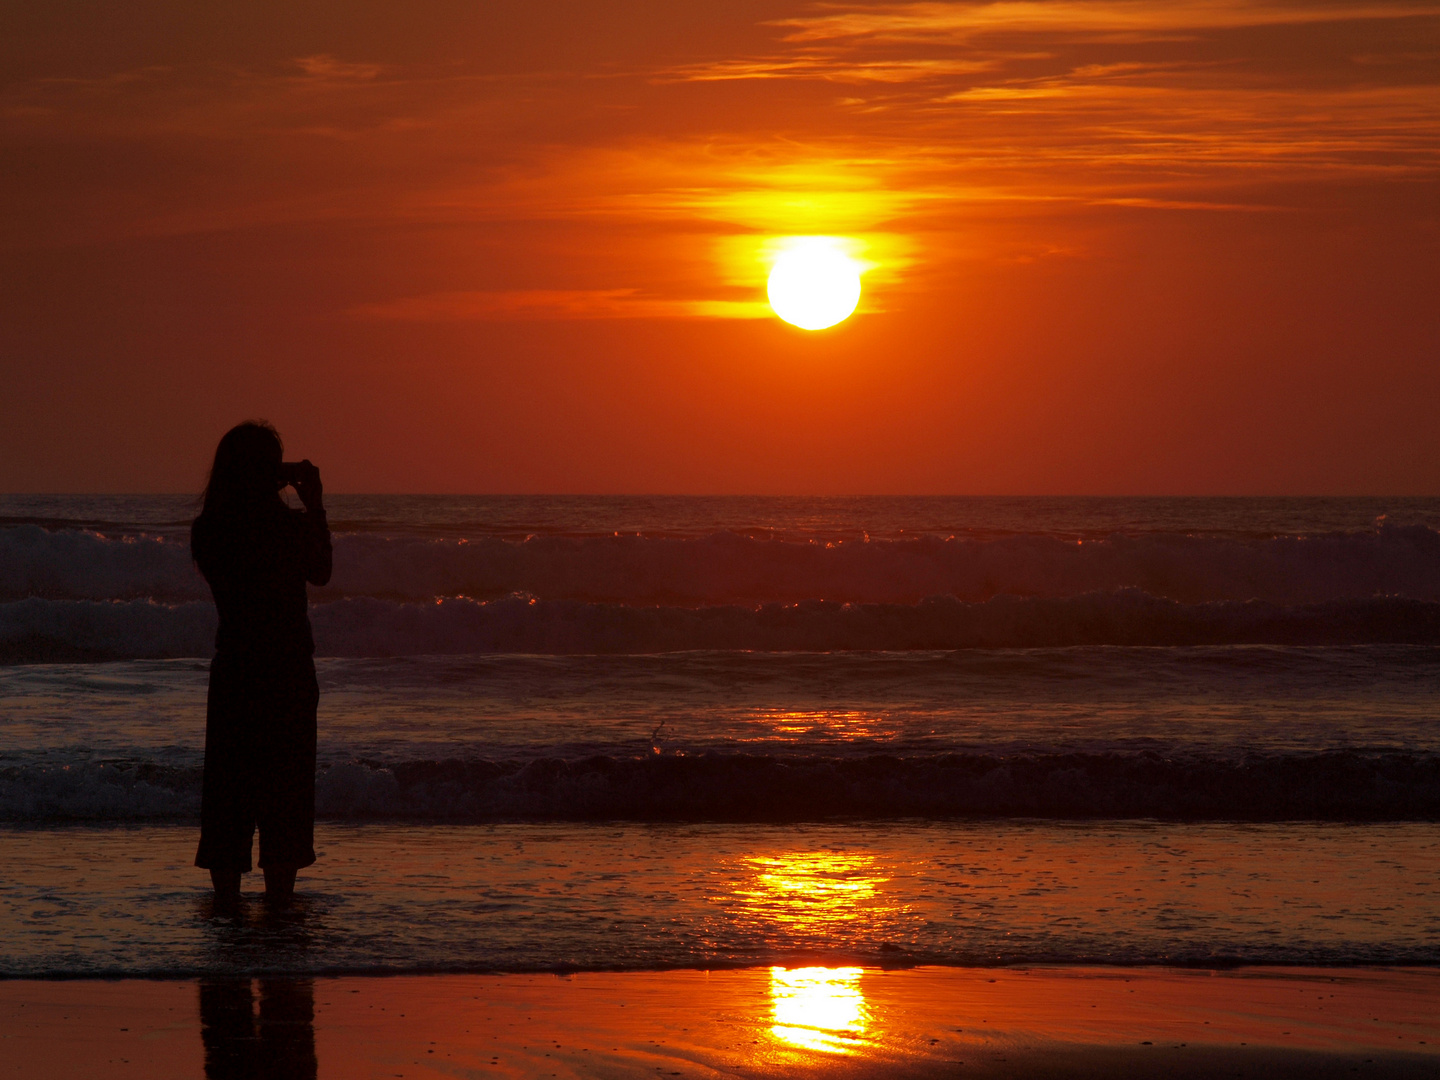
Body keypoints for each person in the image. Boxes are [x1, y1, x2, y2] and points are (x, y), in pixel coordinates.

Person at [191, 421, 331, 909]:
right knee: (285, 799)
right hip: (288, 672)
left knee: (229, 797)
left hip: (236, 672)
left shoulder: (209, 529)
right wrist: (312, 503)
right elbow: (322, 571)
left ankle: (227, 916)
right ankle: (278, 914)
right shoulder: (285, 526)